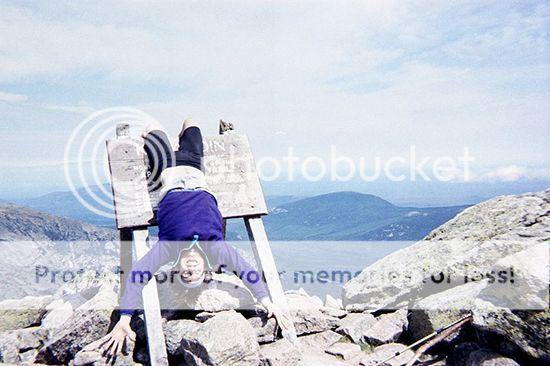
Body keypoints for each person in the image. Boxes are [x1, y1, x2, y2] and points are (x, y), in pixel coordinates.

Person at [96, 118, 291, 356]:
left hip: (166, 169)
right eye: (194, 274)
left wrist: (125, 318)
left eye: (184, 275)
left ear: (177, 268)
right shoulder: (215, 249)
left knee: (151, 128)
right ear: (205, 270)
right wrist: (268, 302)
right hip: (194, 169)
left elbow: (138, 275)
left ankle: (154, 137)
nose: (190, 269)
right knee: (191, 122)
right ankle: (178, 136)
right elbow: (245, 270)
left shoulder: (168, 249)